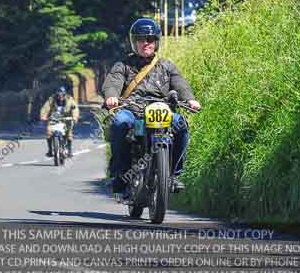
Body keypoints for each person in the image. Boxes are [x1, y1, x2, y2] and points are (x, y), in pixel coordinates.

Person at [102, 17, 201, 196]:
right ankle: (120, 174)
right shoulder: (123, 65)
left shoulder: (167, 66)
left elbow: (180, 84)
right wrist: (111, 97)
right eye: (141, 39)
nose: (145, 43)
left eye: (150, 39)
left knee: (181, 125)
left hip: (160, 110)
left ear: (156, 42)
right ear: (134, 42)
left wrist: (190, 99)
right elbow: (112, 83)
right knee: (119, 123)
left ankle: (173, 175)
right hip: (132, 111)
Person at [40, 86, 79, 157]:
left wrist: (75, 116)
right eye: (58, 95)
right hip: (54, 119)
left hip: (66, 119)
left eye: (62, 95)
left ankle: (69, 150)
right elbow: (45, 108)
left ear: (64, 94)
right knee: (49, 132)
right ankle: (50, 150)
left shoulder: (70, 99)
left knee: (69, 134)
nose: (60, 97)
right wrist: (43, 115)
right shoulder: (51, 99)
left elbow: (74, 108)